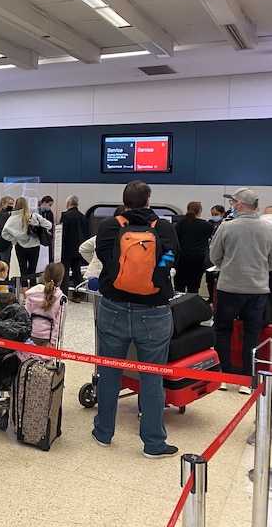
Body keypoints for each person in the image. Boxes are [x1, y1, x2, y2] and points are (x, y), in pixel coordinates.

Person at [93, 180, 180, 458]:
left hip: (113, 308)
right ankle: (154, 443)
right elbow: (171, 257)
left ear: (124, 200)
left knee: (109, 372)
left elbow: (105, 259)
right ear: (148, 200)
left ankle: (104, 432)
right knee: (152, 378)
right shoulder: (163, 227)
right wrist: (156, 275)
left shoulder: (109, 226)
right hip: (154, 311)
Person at [209, 187, 272, 394]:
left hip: (230, 287)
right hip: (258, 289)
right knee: (252, 333)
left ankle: (225, 375)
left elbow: (214, 257)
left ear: (239, 205)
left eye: (233, 202)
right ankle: (248, 378)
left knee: (222, 329)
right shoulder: (267, 229)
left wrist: (230, 264)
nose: (231, 206)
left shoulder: (227, 227)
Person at [1, 197, 52, 288]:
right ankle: (33, 294)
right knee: (33, 271)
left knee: (23, 271)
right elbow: (49, 225)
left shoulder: (12, 218)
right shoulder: (34, 216)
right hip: (34, 245)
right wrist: (37, 224)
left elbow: (4, 234)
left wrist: (15, 239)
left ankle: (25, 296)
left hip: (20, 246)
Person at [174, 202, 214, 294]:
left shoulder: (180, 224)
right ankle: (192, 306)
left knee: (179, 286)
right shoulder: (207, 226)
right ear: (200, 211)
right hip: (198, 259)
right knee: (194, 287)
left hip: (181, 258)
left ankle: (178, 307)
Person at [24, 262, 65, 347]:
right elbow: (59, 323)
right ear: (61, 280)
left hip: (30, 336)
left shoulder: (32, 293)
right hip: (49, 339)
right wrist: (53, 342)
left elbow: (25, 316)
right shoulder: (61, 298)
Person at [59, 195, 90, 302]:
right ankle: (78, 295)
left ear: (68, 204)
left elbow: (63, 234)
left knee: (65, 272)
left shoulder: (66, 216)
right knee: (77, 272)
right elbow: (87, 234)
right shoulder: (83, 217)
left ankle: (64, 295)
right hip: (79, 250)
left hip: (67, 250)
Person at [205, 204, 226, 303]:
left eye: (216, 214)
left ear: (222, 214)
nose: (214, 216)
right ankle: (210, 297)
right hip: (209, 255)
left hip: (220, 256)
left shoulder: (224, 225)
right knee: (209, 280)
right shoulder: (208, 225)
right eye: (212, 214)